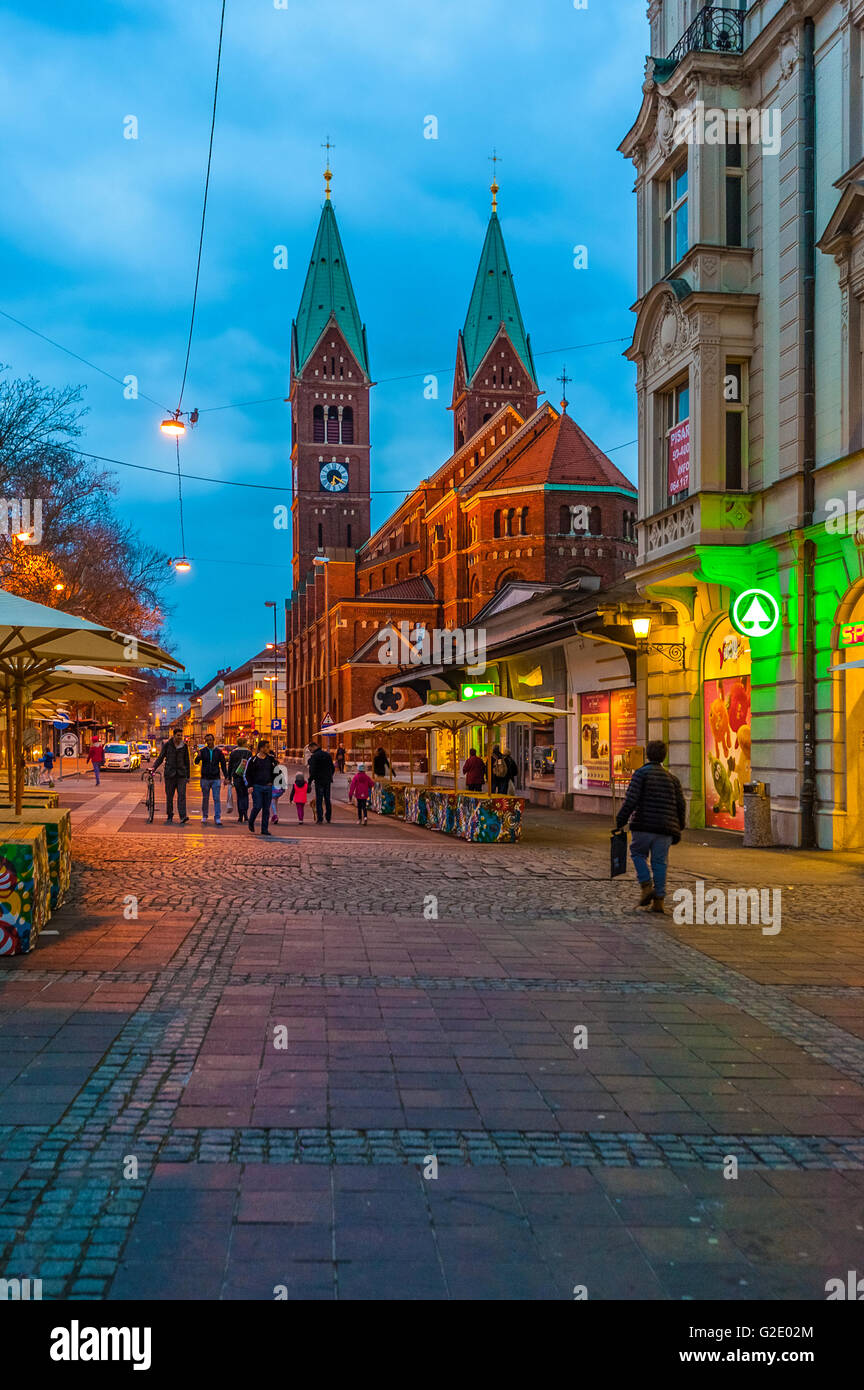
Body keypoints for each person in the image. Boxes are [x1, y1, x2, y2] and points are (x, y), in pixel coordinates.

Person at [615, 739, 686, 914]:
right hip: (665, 828)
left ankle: (646, 886)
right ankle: (659, 902)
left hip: (643, 825)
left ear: (647, 754)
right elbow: (681, 804)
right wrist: (679, 825)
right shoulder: (672, 779)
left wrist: (621, 819)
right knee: (660, 862)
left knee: (638, 854)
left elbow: (631, 800)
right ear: (664, 756)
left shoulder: (641, 774)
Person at [153, 728, 191, 824]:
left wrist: (188, 776)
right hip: (170, 774)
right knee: (169, 796)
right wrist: (153, 768)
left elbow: (187, 761)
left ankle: (183, 816)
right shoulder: (167, 745)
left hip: (181, 774)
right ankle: (170, 815)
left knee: (182, 795)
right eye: (178, 735)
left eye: (181, 735)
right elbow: (161, 758)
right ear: (174, 735)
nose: (179, 737)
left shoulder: (184, 746)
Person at [245, 738, 277, 836]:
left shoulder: (271, 759)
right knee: (257, 806)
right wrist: (250, 785)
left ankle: (264, 829)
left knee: (266, 809)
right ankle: (251, 821)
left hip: (268, 787)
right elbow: (248, 774)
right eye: (267, 747)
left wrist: (272, 781)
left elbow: (276, 772)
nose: (269, 749)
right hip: (257, 786)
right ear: (261, 748)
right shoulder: (253, 760)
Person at [194, 733, 227, 826]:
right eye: (207, 740)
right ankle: (204, 816)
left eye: (210, 740)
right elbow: (196, 762)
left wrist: (226, 777)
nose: (209, 742)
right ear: (205, 741)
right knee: (205, 798)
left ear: (213, 740)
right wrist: (198, 756)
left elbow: (223, 765)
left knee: (216, 798)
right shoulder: (203, 751)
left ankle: (217, 817)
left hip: (216, 778)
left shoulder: (218, 752)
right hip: (205, 778)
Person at [308, 740, 335, 824]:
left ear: (313, 747)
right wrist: (329, 776)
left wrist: (310, 781)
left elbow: (312, 771)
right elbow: (332, 768)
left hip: (319, 780)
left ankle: (320, 818)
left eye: (310, 750)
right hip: (327, 780)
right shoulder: (327, 755)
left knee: (319, 799)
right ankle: (328, 817)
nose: (310, 751)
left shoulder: (314, 757)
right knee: (327, 798)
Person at [227, 738, 252, 822]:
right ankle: (245, 814)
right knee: (245, 795)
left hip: (236, 776)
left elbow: (230, 766)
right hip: (247, 777)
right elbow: (251, 765)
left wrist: (229, 777)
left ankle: (240, 815)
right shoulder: (249, 752)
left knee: (239, 795)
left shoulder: (233, 753)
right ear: (244, 743)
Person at [271, 757, 289, 823]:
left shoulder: (271, 770)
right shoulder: (280, 770)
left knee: (272, 802)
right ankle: (275, 815)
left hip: (273, 788)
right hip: (279, 789)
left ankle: (275, 815)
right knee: (275, 802)